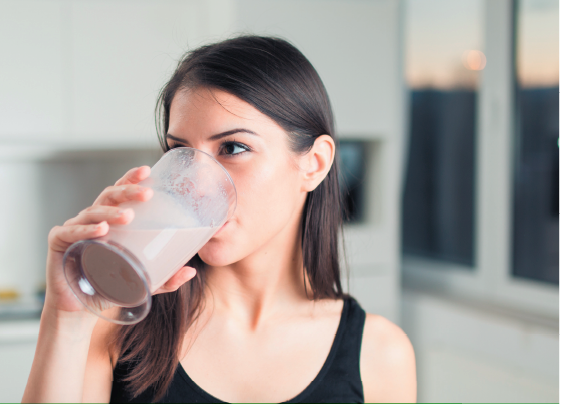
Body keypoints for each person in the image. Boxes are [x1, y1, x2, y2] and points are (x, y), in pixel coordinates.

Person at [22, 35, 416, 403]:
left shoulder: (379, 354)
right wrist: (64, 320)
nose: (197, 185)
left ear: (314, 164)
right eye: (182, 152)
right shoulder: (118, 329)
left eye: (233, 147)